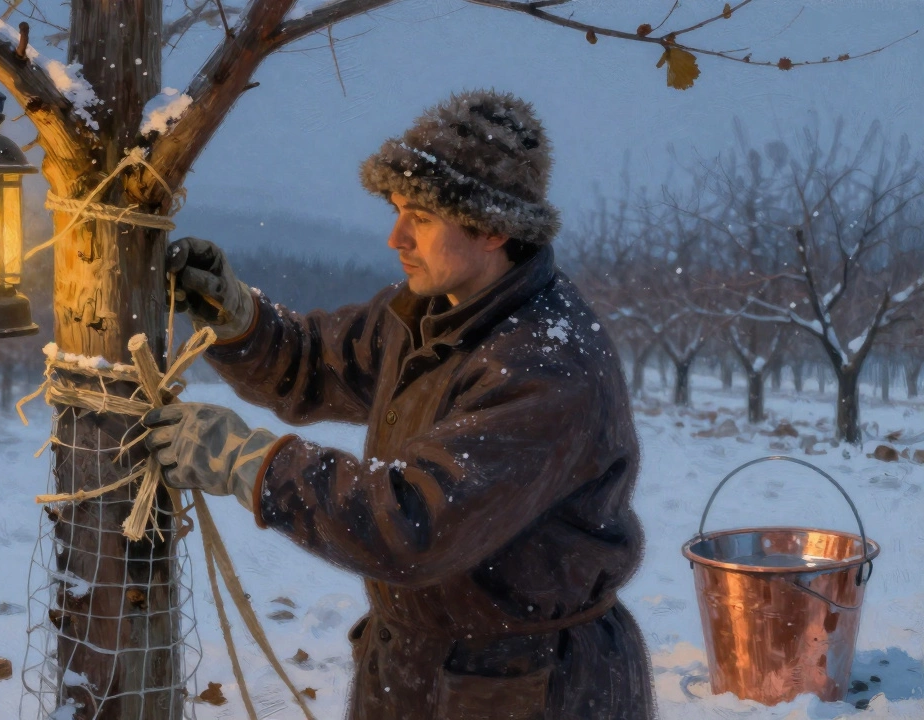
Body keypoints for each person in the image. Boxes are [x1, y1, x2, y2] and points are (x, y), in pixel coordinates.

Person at [143, 90, 654, 719]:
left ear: (493, 227)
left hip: (525, 688)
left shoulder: (545, 365)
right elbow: (317, 362)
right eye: (395, 209)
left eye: (422, 216)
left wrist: (251, 464)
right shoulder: (428, 312)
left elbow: (414, 524)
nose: (396, 236)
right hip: (419, 669)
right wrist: (238, 318)